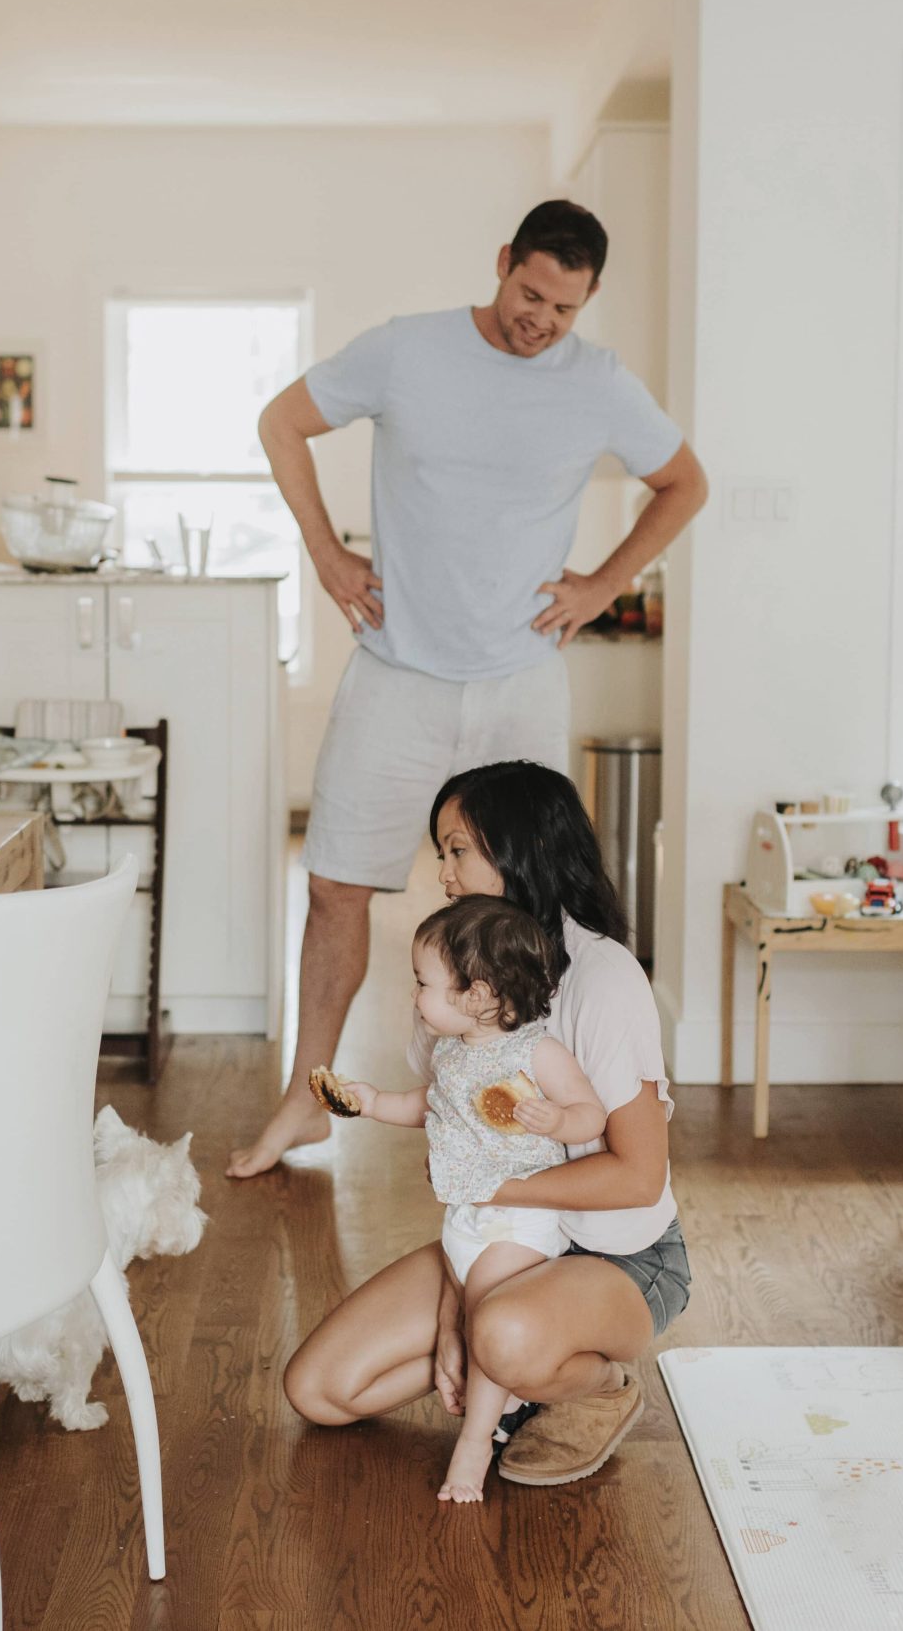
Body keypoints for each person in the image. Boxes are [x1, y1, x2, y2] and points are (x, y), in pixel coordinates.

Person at [228, 198, 708, 1180]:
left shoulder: (600, 384)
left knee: (531, 904)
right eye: (530, 293)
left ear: (589, 301)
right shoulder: (409, 351)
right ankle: (305, 1099)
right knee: (332, 889)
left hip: (520, 683)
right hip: (398, 670)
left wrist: (603, 583)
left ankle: (536, 1113)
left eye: (565, 308)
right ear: (502, 265)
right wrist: (325, 552)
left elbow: (684, 482)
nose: (541, 319)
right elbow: (281, 421)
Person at [284, 762, 690, 1487]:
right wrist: (455, 1295)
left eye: (456, 849)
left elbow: (638, 1175)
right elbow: (455, 1135)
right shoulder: (459, 980)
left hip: (618, 1256)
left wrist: (492, 1206)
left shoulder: (603, 980)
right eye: (440, 852)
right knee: (318, 1388)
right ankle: (505, 1362)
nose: (442, 873)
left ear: (519, 849)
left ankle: (593, 1387)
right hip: (500, 1238)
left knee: (500, 1333)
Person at [319, 895, 609, 1501]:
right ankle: (510, 1388)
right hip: (466, 1219)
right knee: (469, 1318)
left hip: (522, 1222)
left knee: (483, 1324)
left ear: (476, 996)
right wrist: (371, 1101)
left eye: (423, 983)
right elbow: (426, 1107)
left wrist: (557, 1120)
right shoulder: (451, 1054)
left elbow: (591, 1114)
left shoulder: (537, 1053)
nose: (415, 996)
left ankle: (476, 1443)